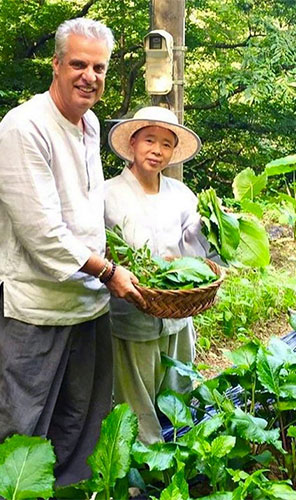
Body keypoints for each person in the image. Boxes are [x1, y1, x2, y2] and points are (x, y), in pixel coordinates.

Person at [0, 18, 146, 500]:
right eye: (79, 64)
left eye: (99, 67)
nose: (90, 76)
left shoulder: (89, 124)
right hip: (30, 306)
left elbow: (82, 212)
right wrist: (107, 271)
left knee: (76, 424)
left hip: (84, 304)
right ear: (57, 64)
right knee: (10, 429)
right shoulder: (24, 128)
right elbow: (43, 235)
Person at [104, 106, 210, 445]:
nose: (157, 151)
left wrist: (213, 231)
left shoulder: (181, 195)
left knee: (177, 389)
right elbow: (95, 249)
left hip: (177, 314)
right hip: (130, 312)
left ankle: (178, 457)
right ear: (132, 143)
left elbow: (197, 250)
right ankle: (140, 477)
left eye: (166, 144)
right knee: (135, 398)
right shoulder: (107, 194)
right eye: (149, 140)